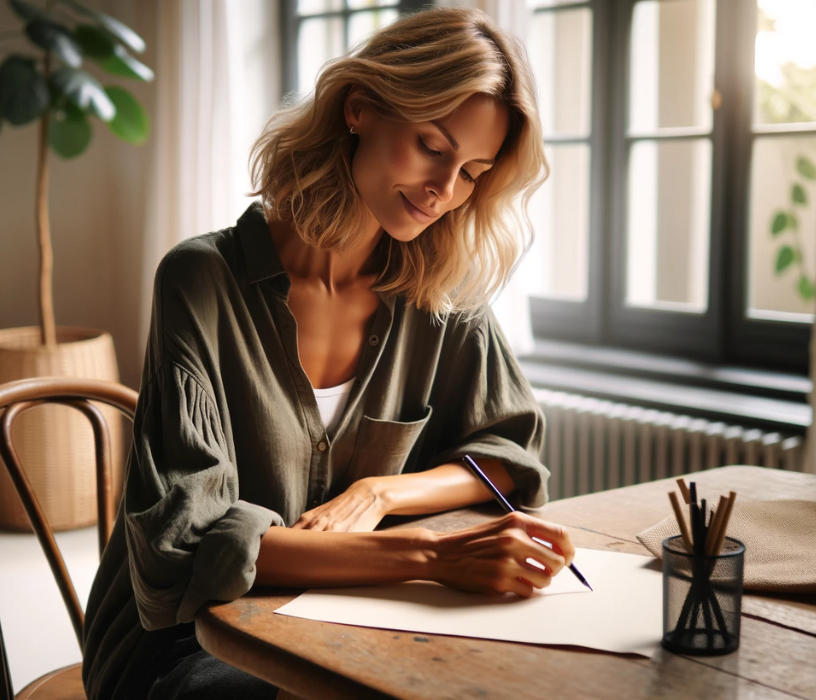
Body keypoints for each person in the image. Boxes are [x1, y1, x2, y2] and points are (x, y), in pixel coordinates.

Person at [82, 7, 575, 699]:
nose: (445, 190)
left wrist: (380, 492)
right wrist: (430, 553)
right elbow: (187, 547)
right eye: (432, 146)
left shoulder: (441, 290)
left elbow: (506, 457)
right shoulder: (200, 281)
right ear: (360, 108)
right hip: (184, 642)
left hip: (355, 620)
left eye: (473, 171)